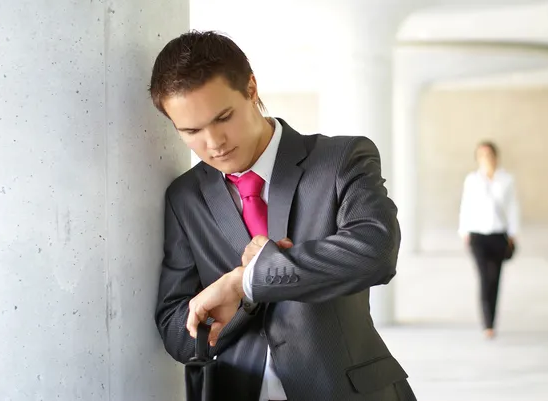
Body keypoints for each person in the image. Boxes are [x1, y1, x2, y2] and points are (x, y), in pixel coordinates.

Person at [150, 30, 416, 401]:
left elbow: (376, 251)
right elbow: (178, 335)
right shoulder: (185, 198)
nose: (213, 143)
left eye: (223, 117)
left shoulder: (341, 160)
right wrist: (245, 298)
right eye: (191, 131)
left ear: (251, 88)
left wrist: (246, 281)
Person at [458, 141, 520, 339]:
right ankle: (488, 324)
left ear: (495, 156)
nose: (485, 158)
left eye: (488, 154)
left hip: (499, 235)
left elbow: (513, 207)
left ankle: (492, 318)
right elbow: (465, 206)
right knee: (485, 278)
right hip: (477, 235)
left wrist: (512, 233)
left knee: (495, 278)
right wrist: (464, 231)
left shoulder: (506, 179)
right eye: (481, 155)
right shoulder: (472, 180)